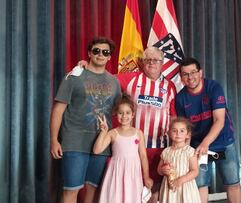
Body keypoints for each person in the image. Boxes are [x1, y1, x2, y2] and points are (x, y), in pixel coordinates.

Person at [77, 46, 177, 202]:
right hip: (131, 147)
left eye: (155, 60)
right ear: (143, 62)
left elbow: (172, 117)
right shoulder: (131, 78)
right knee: (131, 188)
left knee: (154, 187)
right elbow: (105, 78)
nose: (151, 63)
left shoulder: (170, 86)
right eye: (147, 60)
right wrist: (88, 67)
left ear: (162, 63)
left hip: (159, 146)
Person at [50, 37, 121, 203]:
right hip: (74, 142)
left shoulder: (114, 82)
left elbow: (122, 110)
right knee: (71, 191)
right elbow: (58, 110)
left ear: (110, 56)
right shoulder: (74, 76)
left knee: (92, 191)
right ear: (89, 53)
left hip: (101, 145)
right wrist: (54, 140)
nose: (100, 55)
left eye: (105, 52)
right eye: (96, 51)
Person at [175, 57, 241, 203]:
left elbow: (219, 120)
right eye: (185, 74)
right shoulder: (180, 98)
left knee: (233, 182)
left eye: (193, 72)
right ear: (181, 77)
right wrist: (184, 150)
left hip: (223, 141)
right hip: (198, 146)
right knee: (200, 185)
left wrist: (206, 143)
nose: (190, 77)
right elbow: (185, 129)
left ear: (200, 73)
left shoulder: (214, 87)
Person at [93, 94, 153, 203]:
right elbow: (97, 150)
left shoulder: (138, 133)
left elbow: (143, 156)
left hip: (133, 173)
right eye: (120, 113)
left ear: (133, 114)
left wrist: (146, 176)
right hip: (117, 172)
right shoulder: (113, 133)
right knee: (115, 197)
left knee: (132, 197)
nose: (124, 116)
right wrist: (103, 132)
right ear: (116, 114)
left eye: (127, 113)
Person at [157, 117, 201, 203]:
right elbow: (159, 170)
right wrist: (162, 170)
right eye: (174, 130)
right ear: (169, 133)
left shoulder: (190, 151)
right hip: (169, 187)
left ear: (188, 134)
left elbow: (195, 171)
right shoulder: (166, 151)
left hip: (185, 187)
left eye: (182, 131)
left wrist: (181, 180)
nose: (178, 133)